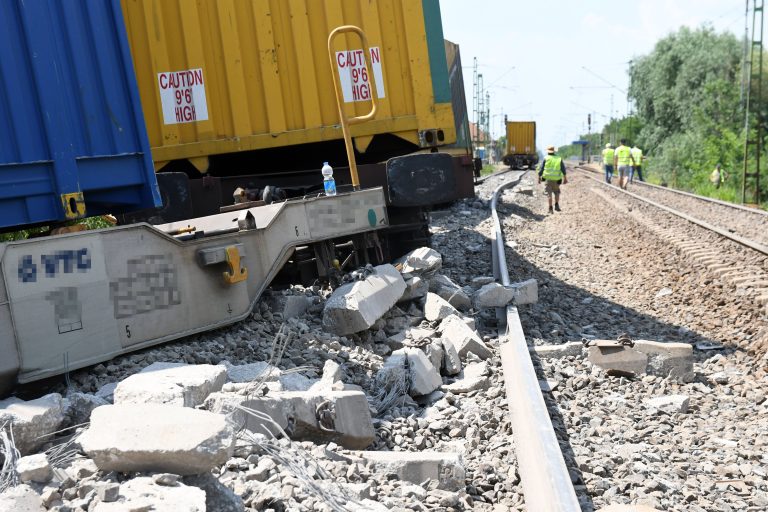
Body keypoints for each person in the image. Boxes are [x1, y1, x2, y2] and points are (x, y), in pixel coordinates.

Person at [538, 145, 567, 213]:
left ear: (548, 151)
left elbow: (541, 169)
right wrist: (565, 178)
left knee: (549, 194)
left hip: (548, 179)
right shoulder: (559, 158)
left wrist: (539, 178)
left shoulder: (546, 158)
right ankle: (556, 205)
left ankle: (550, 208)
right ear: (554, 151)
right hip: (557, 179)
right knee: (557, 192)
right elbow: (563, 169)